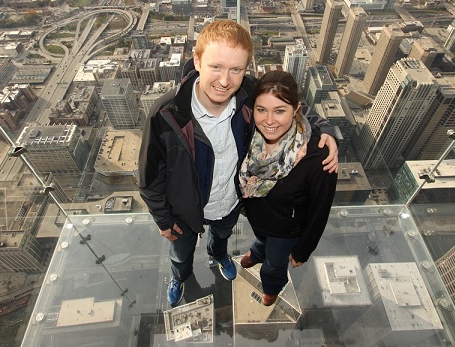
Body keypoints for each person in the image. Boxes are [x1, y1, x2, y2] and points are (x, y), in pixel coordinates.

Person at [136, 20, 339, 308]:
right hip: (182, 212)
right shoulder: (166, 113)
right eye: (216, 66)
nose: (224, 80)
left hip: (229, 203)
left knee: (221, 238)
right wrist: (162, 218)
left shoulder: (248, 96)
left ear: (246, 71)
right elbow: (149, 175)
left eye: (236, 70)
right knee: (180, 254)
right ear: (197, 60)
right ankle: (180, 276)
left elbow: (290, 105)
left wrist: (325, 128)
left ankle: (218, 256)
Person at [239, 70, 338, 306]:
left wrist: (303, 250)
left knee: (275, 262)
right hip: (258, 217)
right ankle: (257, 253)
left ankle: (272, 286)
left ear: (296, 109)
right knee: (262, 241)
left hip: (286, 229)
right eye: (261, 110)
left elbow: (320, 210)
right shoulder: (251, 134)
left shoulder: (318, 157)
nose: (269, 120)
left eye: (280, 111)